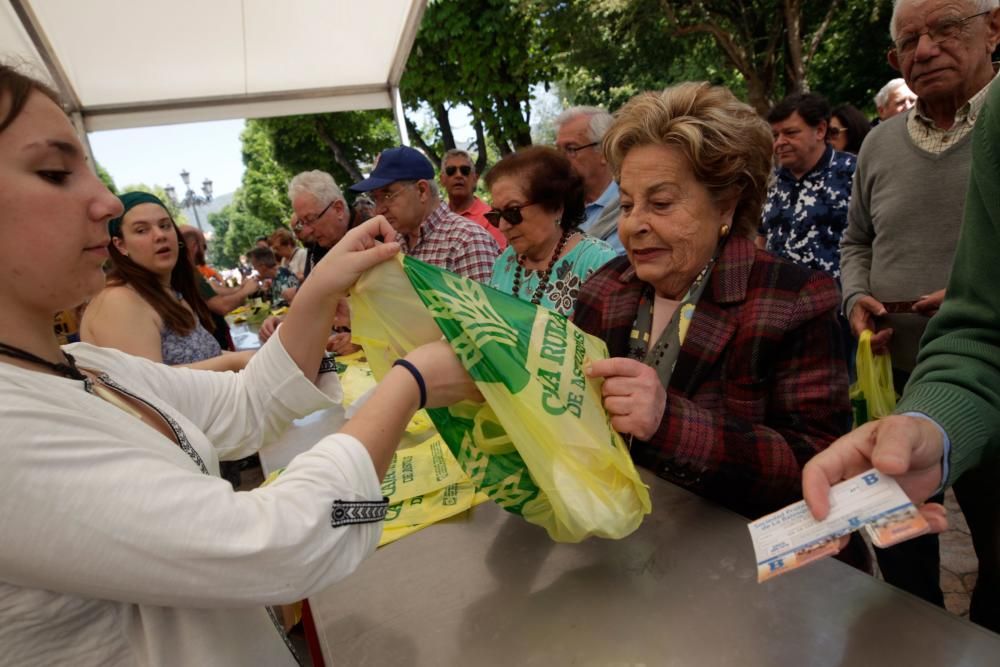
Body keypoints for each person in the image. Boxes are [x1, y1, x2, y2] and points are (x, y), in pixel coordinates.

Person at [0, 63, 479, 664]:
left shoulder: (82, 365)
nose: (103, 203)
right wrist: (409, 384)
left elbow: (248, 404)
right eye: (53, 172)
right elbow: (275, 546)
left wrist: (322, 286)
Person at [575, 82, 855, 525]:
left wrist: (667, 421)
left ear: (726, 205)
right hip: (623, 537)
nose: (634, 226)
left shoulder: (793, 299)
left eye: (661, 203)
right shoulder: (605, 288)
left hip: (743, 557)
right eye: (627, 205)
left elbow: (816, 462)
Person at [815, 0, 1000, 629]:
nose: (924, 50)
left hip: (988, 385)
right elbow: (855, 239)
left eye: (946, 28)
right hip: (893, 377)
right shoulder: (881, 142)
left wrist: (977, 296)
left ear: (994, 29)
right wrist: (855, 295)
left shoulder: (995, 127)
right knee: (901, 545)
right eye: (908, 40)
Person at [80, 192, 248, 371]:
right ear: (120, 245)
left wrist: (256, 358)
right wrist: (236, 362)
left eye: (165, 225)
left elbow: (208, 356)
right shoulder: (117, 300)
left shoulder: (171, 291)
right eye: (141, 230)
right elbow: (148, 385)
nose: (160, 235)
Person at [484, 146, 615, 317]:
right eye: (496, 215)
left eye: (513, 211)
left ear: (556, 206)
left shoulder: (597, 261)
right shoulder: (506, 260)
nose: (503, 226)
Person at [350, 146, 499, 283]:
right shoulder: (395, 242)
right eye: (375, 199)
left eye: (388, 195)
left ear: (422, 191)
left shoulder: (467, 241)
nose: (379, 210)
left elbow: (485, 311)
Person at [760, 92, 855, 280]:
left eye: (790, 133)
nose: (779, 142)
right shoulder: (770, 182)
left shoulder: (855, 173)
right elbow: (760, 239)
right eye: (775, 135)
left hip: (837, 302)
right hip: (779, 302)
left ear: (820, 130)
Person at [554, 106, 624, 254]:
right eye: (558, 151)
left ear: (605, 151)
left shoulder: (630, 205)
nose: (560, 159)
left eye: (571, 149)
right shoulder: (557, 211)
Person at [440, 148, 506, 249]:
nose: (458, 175)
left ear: (475, 178)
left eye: (465, 171)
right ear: (442, 180)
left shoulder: (491, 218)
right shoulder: (438, 218)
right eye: (451, 171)